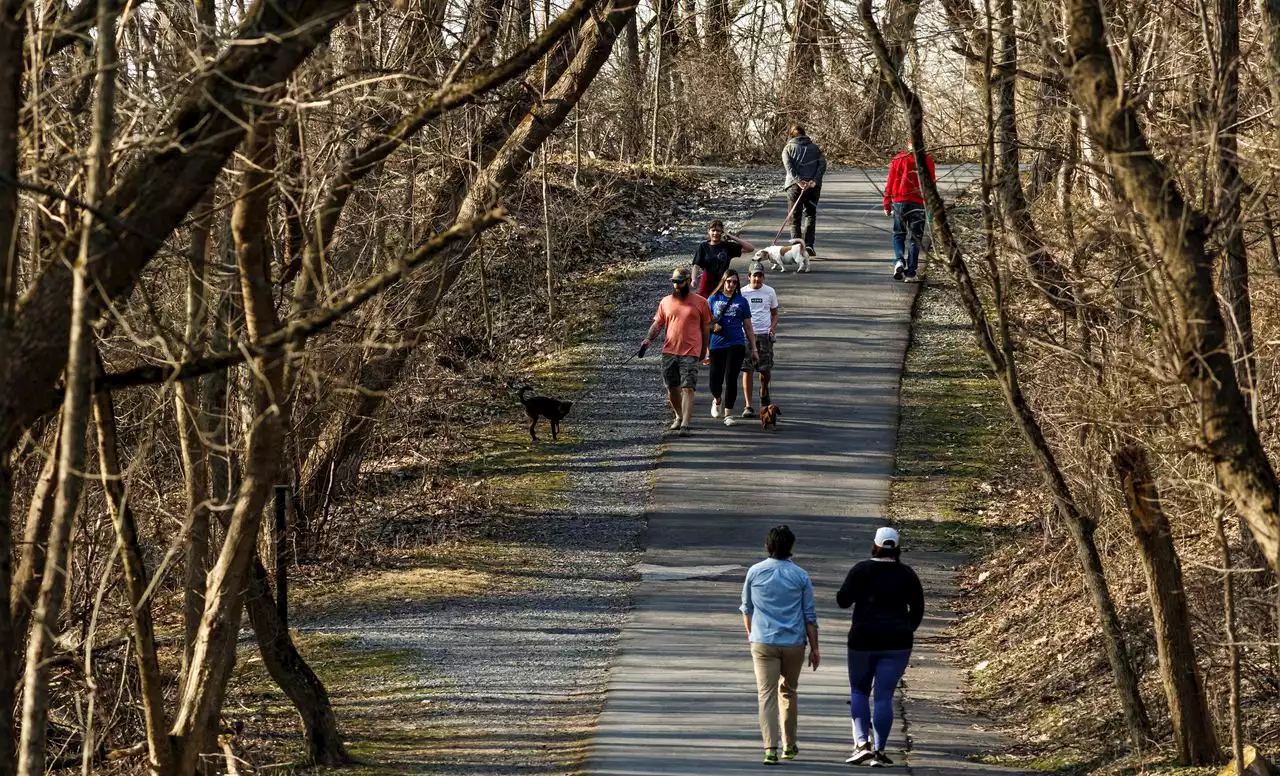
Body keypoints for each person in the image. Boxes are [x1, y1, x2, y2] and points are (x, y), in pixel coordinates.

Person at [836, 526, 925, 767]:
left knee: (859, 691)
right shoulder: (907, 574)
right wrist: (907, 630)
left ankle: (861, 744)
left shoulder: (861, 570)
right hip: (897, 643)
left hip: (862, 641)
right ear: (897, 548)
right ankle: (880, 750)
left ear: (874, 545)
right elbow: (918, 609)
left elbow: (843, 600)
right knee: (884, 695)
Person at [740, 525, 820, 766]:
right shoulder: (800, 576)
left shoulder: (755, 572)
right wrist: (815, 648)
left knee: (766, 695)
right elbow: (809, 616)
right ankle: (789, 744)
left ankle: (770, 749)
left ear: (768, 546)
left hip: (763, 641)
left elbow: (747, 608)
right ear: (790, 547)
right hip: (794, 643)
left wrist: (752, 634)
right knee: (789, 691)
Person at [641, 268, 712, 437]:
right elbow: (658, 323)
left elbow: (706, 329)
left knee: (688, 387)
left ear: (688, 281)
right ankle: (679, 416)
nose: (676, 285)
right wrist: (648, 339)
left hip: (691, 351)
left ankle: (686, 424)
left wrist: (705, 350)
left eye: (679, 282)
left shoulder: (701, 302)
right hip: (669, 350)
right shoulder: (665, 302)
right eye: (674, 282)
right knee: (672, 388)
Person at [705, 270, 758, 426]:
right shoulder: (713, 298)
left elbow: (748, 326)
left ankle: (728, 414)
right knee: (715, 380)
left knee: (731, 378)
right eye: (729, 281)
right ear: (723, 281)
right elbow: (705, 322)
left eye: (735, 282)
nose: (731, 284)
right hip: (717, 343)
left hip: (736, 343)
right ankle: (717, 399)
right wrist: (712, 327)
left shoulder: (741, 301)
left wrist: (754, 348)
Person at [883, 139, 936, 282]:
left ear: (908, 145)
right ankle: (911, 272)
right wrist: (931, 207)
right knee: (915, 239)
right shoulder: (927, 161)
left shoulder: (899, 159)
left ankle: (899, 260)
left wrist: (887, 203)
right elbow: (931, 184)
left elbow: (891, 181)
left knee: (898, 234)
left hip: (900, 202)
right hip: (918, 203)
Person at [739, 262, 779, 417]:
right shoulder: (742, 293)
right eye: (754, 275)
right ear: (749, 276)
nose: (757, 278)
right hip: (746, 335)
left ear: (763, 276)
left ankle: (764, 393)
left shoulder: (770, 292)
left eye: (760, 275)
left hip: (764, 335)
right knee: (747, 370)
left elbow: (774, 313)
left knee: (765, 370)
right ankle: (748, 405)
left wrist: (772, 327)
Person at [782, 125, 827, 253]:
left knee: (795, 218)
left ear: (791, 135)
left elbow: (788, 166)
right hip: (813, 187)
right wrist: (814, 180)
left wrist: (798, 180)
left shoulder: (788, 148)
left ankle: (796, 248)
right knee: (810, 215)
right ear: (804, 134)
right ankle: (808, 245)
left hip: (794, 187)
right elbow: (822, 165)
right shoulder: (815, 148)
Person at [691, 220, 755, 298]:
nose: (715, 233)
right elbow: (696, 265)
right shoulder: (703, 246)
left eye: (718, 231)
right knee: (704, 305)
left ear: (722, 232)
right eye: (713, 230)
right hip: (707, 282)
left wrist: (732, 237)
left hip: (723, 281)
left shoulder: (727, 246)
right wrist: (693, 279)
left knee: (721, 305)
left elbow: (750, 248)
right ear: (709, 231)